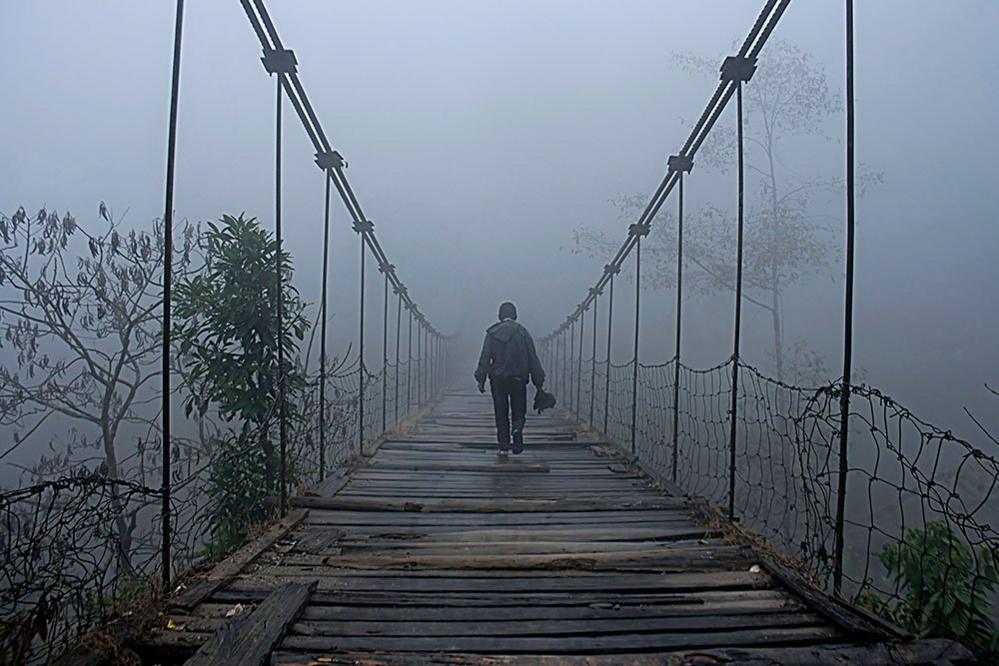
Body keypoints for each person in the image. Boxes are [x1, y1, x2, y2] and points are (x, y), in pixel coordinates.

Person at [474, 302, 546, 456]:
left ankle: (503, 446)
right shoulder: (523, 333)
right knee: (519, 410)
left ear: (500, 315)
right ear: (515, 315)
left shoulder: (492, 333)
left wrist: (481, 378)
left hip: (498, 380)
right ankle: (517, 429)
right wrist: (539, 383)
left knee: (501, 411)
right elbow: (533, 359)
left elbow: (485, 358)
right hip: (518, 379)